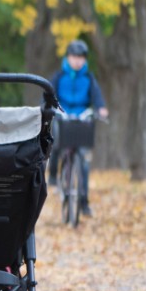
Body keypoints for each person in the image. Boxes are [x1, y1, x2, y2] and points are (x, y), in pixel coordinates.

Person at [48, 39, 108, 216]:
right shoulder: (59, 76)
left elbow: (96, 97)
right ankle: (52, 176)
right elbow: (49, 94)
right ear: (68, 57)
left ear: (85, 59)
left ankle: (84, 202)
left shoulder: (89, 77)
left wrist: (101, 109)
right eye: (74, 56)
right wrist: (46, 106)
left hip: (81, 118)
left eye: (81, 57)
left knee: (83, 159)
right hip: (63, 116)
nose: (77, 60)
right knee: (56, 145)